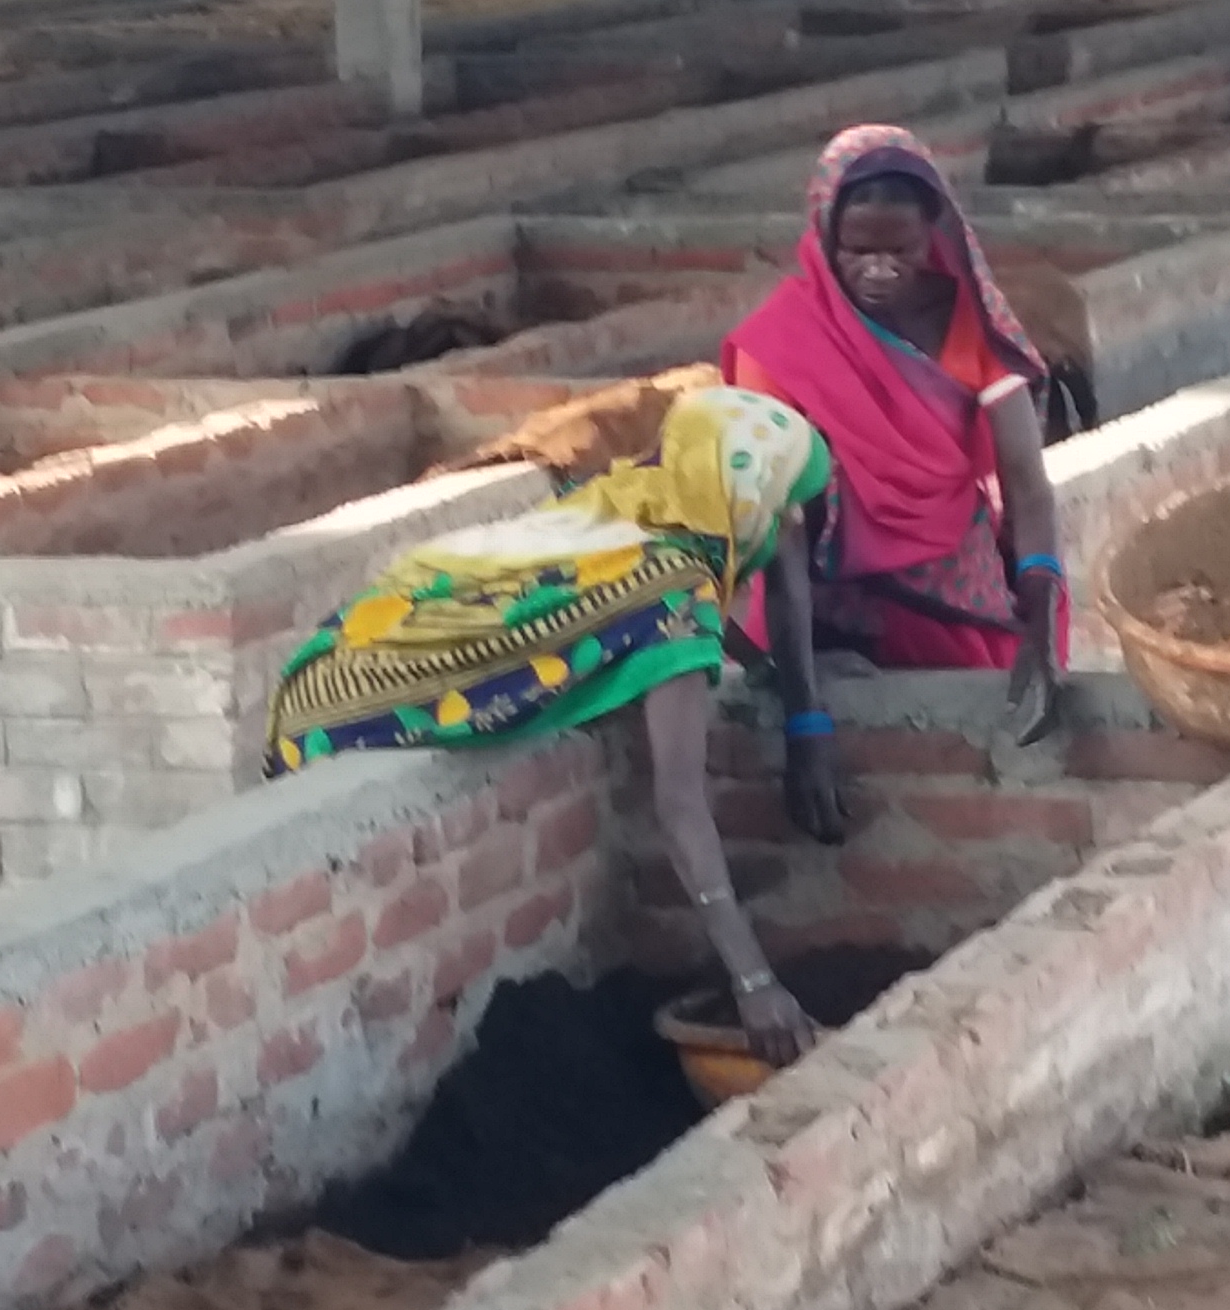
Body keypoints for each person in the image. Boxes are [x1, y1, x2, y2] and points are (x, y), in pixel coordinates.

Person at [263, 386, 848, 1062]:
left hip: (334, 660)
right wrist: (754, 983)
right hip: (352, 713)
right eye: (788, 507)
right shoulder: (674, 593)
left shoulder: (629, 498)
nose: (790, 530)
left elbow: (772, 571)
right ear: (752, 501)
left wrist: (797, 704)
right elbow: (680, 805)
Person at [720, 126, 1068, 749]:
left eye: (901, 250)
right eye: (856, 251)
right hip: (825, 599)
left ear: (933, 236)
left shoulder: (967, 320)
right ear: (825, 235)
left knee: (990, 719)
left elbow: (1027, 485)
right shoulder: (781, 343)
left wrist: (1041, 635)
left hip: (952, 589)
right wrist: (806, 719)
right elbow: (781, 528)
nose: (879, 270)